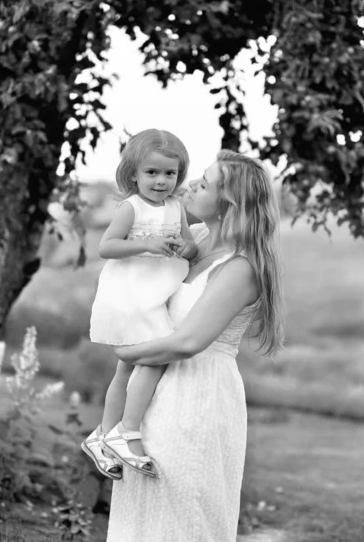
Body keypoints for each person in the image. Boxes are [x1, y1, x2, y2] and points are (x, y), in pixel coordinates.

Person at [103, 150, 285, 542]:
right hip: (151, 389)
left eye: (204, 184)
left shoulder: (240, 267)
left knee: (183, 513)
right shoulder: (196, 240)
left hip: (198, 396)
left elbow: (189, 342)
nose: (188, 186)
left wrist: (124, 354)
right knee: (142, 511)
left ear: (228, 203)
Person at [81, 129, 198, 480]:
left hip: (154, 295)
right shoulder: (130, 207)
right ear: (133, 173)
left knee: (127, 369)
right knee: (156, 359)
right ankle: (126, 433)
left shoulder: (177, 207)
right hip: (129, 295)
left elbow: (191, 246)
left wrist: (184, 247)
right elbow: (107, 246)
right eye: (152, 173)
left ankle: (102, 437)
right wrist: (147, 245)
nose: (161, 181)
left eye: (170, 174)